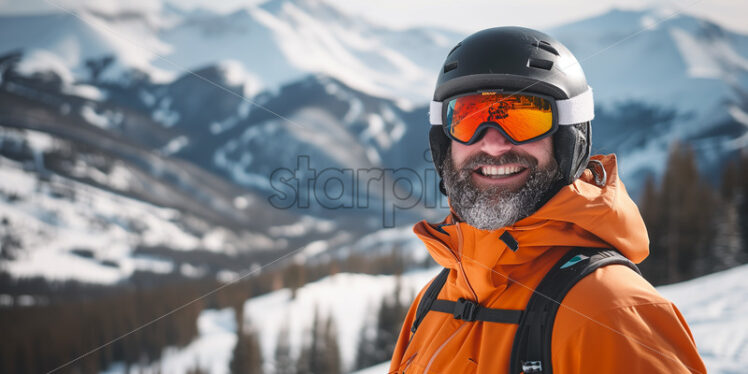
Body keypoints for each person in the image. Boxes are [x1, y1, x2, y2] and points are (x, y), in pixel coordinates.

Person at [388, 27, 707, 373]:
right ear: (444, 143)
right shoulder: (434, 303)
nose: (493, 145)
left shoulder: (613, 313)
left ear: (569, 140)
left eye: (524, 118)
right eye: (470, 117)